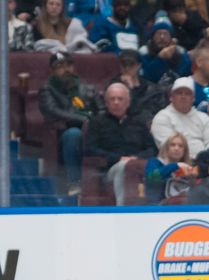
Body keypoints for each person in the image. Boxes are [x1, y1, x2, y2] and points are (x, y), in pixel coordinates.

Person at [85, 83, 157, 205]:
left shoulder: (138, 123)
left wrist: (136, 158)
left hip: (138, 165)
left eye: (120, 99)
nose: (116, 102)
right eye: (112, 99)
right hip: (110, 169)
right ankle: (123, 209)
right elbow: (91, 149)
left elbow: (152, 149)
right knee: (124, 167)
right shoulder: (97, 123)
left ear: (128, 102)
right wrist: (118, 159)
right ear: (106, 103)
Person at [38, 51, 98, 195]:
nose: (66, 69)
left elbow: (100, 109)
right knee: (73, 134)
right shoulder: (47, 89)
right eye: (60, 66)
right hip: (64, 133)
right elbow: (52, 111)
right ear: (52, 71)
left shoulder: (86, 88)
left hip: (91, 130)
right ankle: (74, 183)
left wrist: (95, 122)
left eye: (69, 65)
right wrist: (83, 119)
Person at [150, 76, 209, 159]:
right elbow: (168, 148)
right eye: (179, 93)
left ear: (193, 98)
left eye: (187, 93)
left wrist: (204, 160)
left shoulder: (204, 118)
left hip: (204, 164)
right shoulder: (162, 117)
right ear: (171, 97)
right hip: (174, 165)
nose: (183, 96)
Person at [139, 10, 193, 86]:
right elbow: (146, 77)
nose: (162, 37)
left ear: (171, 38)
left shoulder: (181, 52)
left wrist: (174, 55)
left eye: (165, 34)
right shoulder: (144, 53)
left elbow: (186, 74)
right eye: (158, 34)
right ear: (152, 37)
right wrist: (160, 59)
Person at [144, 132, 196, 204]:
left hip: (183, 208)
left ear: (184, 151)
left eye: (180, 146)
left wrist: (192, 178)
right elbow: (151, 176)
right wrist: (175, 166)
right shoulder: (154, 162)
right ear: (166, 148)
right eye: (172, 145)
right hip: (158, 208)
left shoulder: (188, 167)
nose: (176, 148)